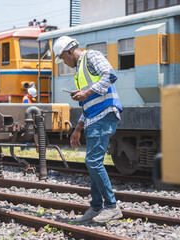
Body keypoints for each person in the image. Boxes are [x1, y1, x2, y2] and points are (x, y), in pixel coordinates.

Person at [53, 36, 123, 223]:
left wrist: (87, 92)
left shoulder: (91, 56)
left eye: (63, 58)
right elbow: (88, 103)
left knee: (93, 161)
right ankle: (96, 207)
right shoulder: (79, 71)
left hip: (105, 114)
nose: (64, 63)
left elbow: (110, 75)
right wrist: (78, 127)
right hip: (93, 118)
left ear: (69, 51)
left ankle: (112, 207)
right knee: (93, 163)